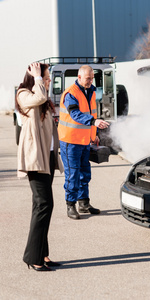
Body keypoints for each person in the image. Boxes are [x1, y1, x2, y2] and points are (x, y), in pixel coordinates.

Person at [16, 62, 63, 271]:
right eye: (46, 77)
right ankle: (32, 257)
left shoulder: (41, 94)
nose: (48, 81)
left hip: (48, 157)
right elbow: (40, 97)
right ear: (35, 77)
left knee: (45, 206)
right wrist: (36, 76)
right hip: (36, 158)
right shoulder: (24, 93)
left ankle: (42, 254)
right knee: (43, 205)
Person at [58, 65, 109, 220]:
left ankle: (84, 203)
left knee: (84, 173)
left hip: (84, 140)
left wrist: (95, 134)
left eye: (92, 78)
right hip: (70, 141)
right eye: (88, 78)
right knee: (73, 174)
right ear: (79, 77)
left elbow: (92, 112)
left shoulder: (91, 92)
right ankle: (70, 205)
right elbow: (75, 115)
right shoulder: (70, 94)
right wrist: (94, 122)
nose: (90, 81)